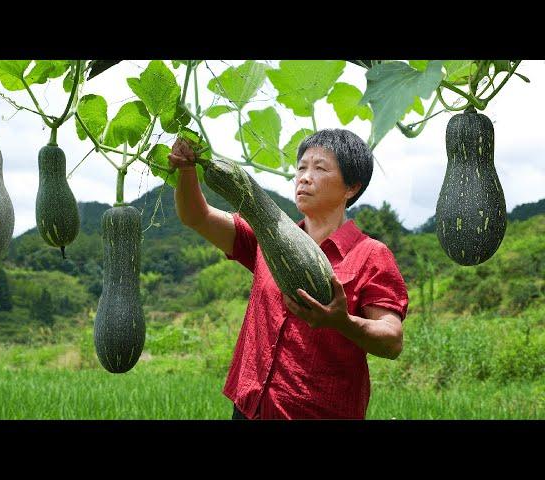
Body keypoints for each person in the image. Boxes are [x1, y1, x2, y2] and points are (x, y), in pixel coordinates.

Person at [168, 128, 409, 420]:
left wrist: (341, 322)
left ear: (352, 187)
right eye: (301, 168)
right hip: (248, 408)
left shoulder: (371, 254)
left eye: (319, 168)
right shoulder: (265, 236)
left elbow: (392, 340)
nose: (304, 177)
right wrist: (187, 170)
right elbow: (197, 216)